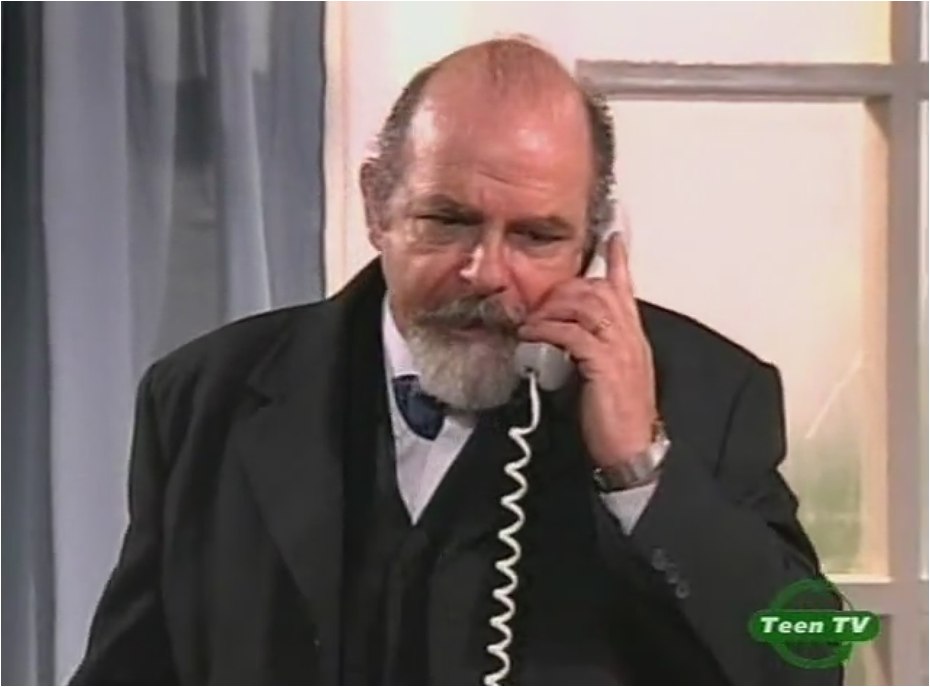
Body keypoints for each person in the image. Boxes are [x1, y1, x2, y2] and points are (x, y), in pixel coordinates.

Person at [73, 38, 840, 685]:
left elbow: (814, 656)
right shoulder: (202, 397)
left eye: (537, 236)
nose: (485, 272)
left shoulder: (713, 392)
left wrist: (642, 471)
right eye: (447, 220)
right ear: (377, 204)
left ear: (594, 241)